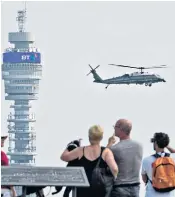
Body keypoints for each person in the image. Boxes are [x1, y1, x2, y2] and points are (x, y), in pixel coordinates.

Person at [60, 125, 118, 197]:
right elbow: (115, 169)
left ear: (89, 137)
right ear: (101, 137)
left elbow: (63, 157)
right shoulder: (106, 152)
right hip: (99, 190)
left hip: (82, 189)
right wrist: (115, 179)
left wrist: (71, 145)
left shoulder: (80, 150)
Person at [107, 119, 143, 197]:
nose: (114, 129)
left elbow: (103, 159)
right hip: (135, 187)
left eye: (115, 126)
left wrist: (109, 144)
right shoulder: (139, 146)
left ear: (121, 129)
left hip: (120, 187)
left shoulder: (115, 149)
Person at [141, 132, 175, 197]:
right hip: (169, 195)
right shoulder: (173, 158)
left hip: (152, 194)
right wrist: (166, 144)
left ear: (155, 143)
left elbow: (144, 179)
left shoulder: (146, 160)